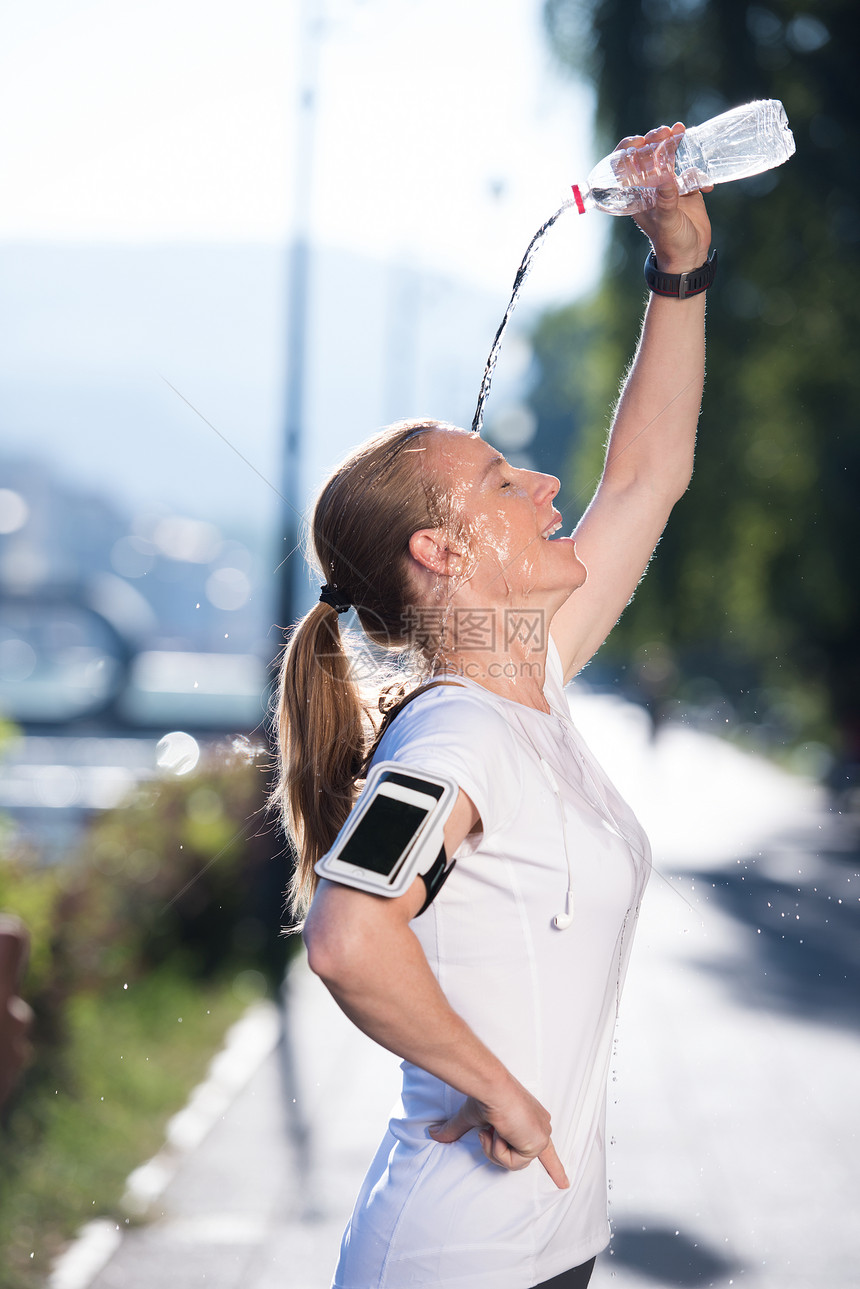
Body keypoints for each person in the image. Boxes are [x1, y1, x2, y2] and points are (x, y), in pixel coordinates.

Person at [273, 124, 713, 1289]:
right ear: (440, 548)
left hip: (541, 1246)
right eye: (501, 482)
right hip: (455, 1258)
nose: (545, 486)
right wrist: (496, 1086)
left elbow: (645, 475)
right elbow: (348, 932)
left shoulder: (529, 683)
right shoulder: (454, 737)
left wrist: (676, 265)